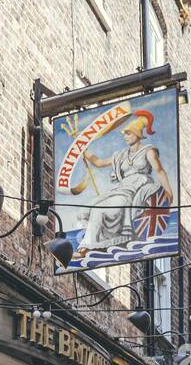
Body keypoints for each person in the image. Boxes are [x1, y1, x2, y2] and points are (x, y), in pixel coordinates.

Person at [72, 110, 174, 258]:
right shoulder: (121, 155)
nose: (125, 137)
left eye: (128, 133)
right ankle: (101, 239)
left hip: (135, 190)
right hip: (121, 189)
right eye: (124, 134)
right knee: (86, 210)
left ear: (138, 134)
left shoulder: (148, 151)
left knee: (99, 210)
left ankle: (85, 249)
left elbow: (159, 171)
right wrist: (82, 147)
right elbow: (99, 162)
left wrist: (168, 192)